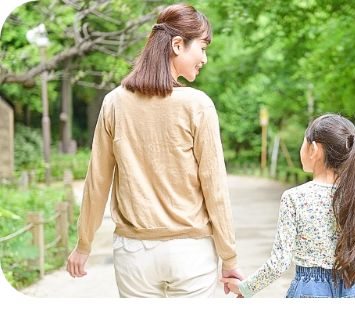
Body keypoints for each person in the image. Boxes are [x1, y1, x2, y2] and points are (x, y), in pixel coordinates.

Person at [66, 3, 243, 298]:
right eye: (202, 47)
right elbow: (215, 188)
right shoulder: (198, 105)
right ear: (177, 45)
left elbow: (97, 182)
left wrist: (83, 244)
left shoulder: (114, 102)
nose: (205, 58)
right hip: (191, 253)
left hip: (134, 254)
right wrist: (230, 258)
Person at [221, 114, 355, 298]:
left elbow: (279, 263)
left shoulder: (294, 198)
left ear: (314, 149)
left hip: (310, 291)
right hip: (352, 287)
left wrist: (246, 288)